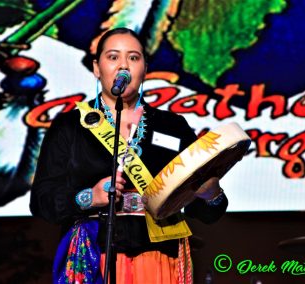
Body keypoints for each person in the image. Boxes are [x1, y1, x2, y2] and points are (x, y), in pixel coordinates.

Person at [30, 27, 228, 284]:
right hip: (94, 253)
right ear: (97, 68)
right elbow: (41, 201)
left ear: (145, 69)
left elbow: (205, 211)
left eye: (133, 58)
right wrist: (91, 196)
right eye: (113, 57)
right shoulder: (71, 126)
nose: (123, 65)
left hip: (159, 255)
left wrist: (211, 196)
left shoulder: (172, 126)